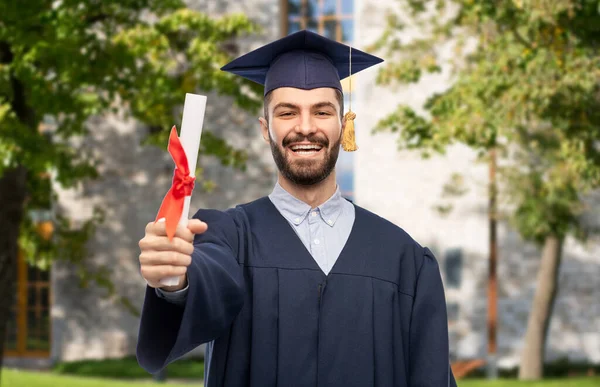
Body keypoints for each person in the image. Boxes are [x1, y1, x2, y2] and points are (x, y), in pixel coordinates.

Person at [136, 30, 458, 387]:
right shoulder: (228, 236)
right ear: (265, 128)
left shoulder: (404, 259)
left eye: (322, 111)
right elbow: (208, 275)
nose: (305, 127)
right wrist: (175, 278)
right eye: (287, 113)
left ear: (342, 123)